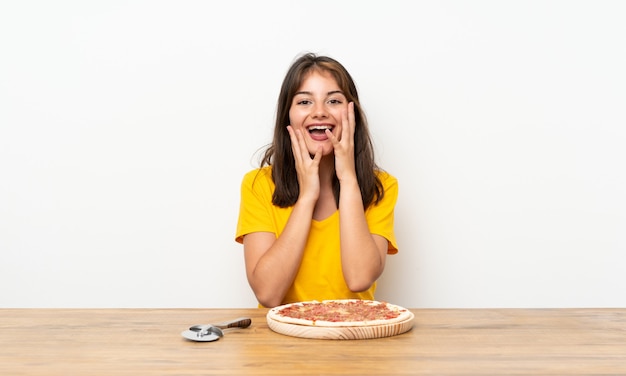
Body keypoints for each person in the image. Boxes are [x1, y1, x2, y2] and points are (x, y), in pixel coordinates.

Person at [235, 53, 398, 308]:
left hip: (352, 336)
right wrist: (307, 196)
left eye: (333, 100)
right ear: (287, 116)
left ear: (352, 113)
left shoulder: (381, 187)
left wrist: (348, 179)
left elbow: (359, 279)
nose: (319, 112)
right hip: (281, 341)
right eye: (304, 102)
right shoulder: (258, 185)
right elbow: (267, 294)